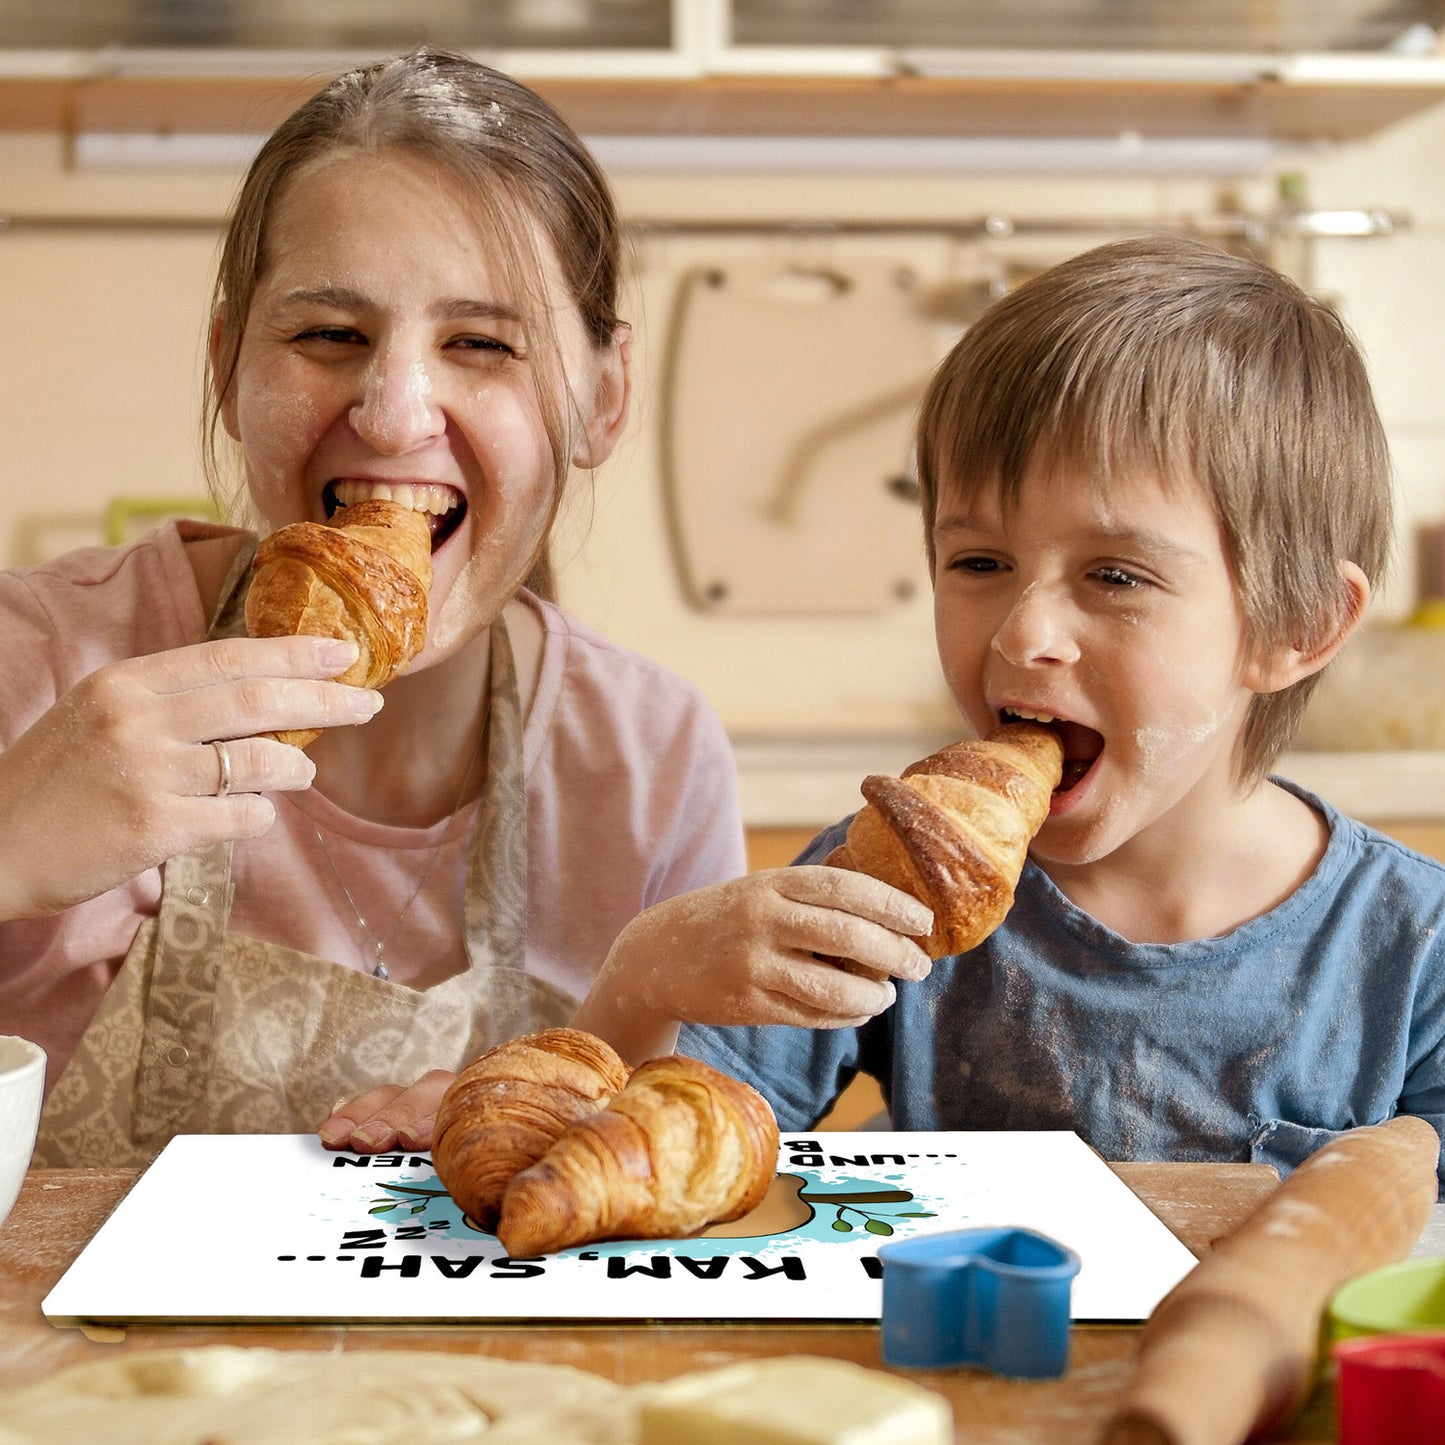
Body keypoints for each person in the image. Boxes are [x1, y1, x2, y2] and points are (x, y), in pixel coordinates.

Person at [3, 48, 757, 1168]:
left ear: (601, 397)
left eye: (482, 343)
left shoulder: (647, 759)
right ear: (227, 366)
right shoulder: (43, 661)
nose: (396, 411)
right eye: (326, 335)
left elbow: (696, 1172)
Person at [587, 233, 1445, 1190]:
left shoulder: (1413, 950)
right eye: (979, 563)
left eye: (1115, 574)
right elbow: (662, 1153)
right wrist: (642, 976)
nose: (1022, 632)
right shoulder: (890, 880)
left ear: (1298, 623)